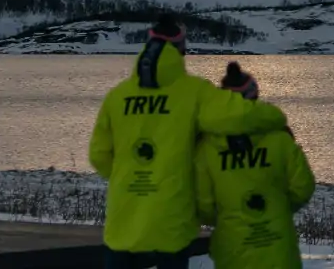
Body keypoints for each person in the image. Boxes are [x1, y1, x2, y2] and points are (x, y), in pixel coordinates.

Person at [89, 18, 290, 269]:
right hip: (172, 223)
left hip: (123, 222)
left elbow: (99, 155)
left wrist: (130, 176)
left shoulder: (117, 97)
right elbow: (239, 114)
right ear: (180, 51)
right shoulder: (195, 92)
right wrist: (275, 117)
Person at [194, 63, 315, 269]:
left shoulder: (206, 148)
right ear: (255, 96)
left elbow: (203, 203)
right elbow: (303, 187)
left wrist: (228, 218)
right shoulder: (280, 138)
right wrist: (278, 210)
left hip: (232, 250)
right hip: (279, 250)